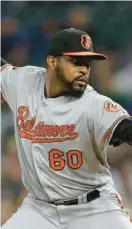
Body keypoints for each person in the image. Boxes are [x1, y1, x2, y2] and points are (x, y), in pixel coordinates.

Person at [1, 28, 132, 229]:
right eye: (75, 61)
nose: (84, 69)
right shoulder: (24, 81)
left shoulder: (93, 104)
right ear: (52, 62)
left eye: (87, 63)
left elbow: (126, 130)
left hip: (94, 208)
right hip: (40, 209)